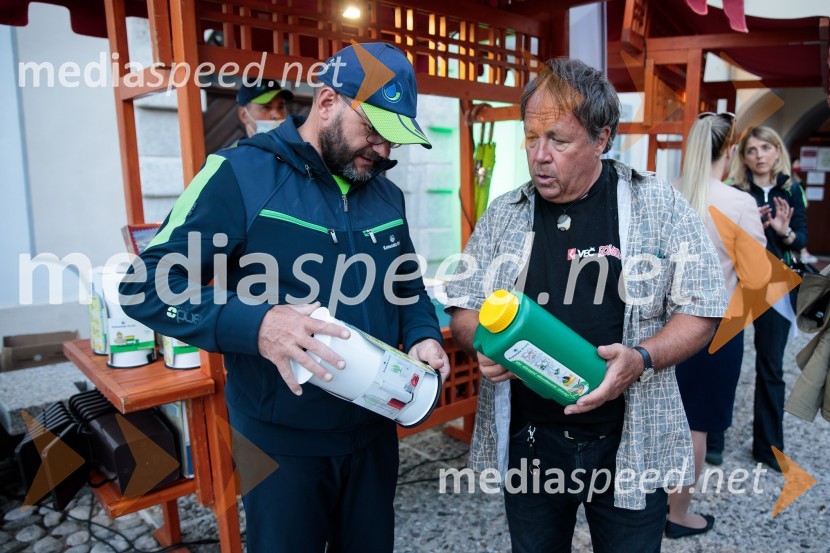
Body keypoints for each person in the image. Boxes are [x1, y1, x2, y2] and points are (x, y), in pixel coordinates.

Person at [120, 42, 449, 552]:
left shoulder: (387, 193)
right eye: (375, 131)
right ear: (326, 102)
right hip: (278, 443)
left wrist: (424, 335)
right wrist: (258, 324)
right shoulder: (237, 174)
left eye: (394, 139)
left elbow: (406, 285)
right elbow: (146, 284)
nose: (384, 152)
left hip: (375, 431)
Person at [445, 57, 727, 552]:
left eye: (558, 140)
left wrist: (640, 359)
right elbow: (465, 308)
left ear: (602, 139)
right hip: (531, 442)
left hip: (629, 439)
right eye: (531, 138)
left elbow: (702, 309)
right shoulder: (505, 213)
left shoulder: (656, 205)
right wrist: (482, 345)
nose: (539, 156)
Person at [666, 112, 769, 538]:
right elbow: (760, 276)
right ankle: (677, 515)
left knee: (660, 419)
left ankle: (645, 507)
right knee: (695, 425)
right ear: (728, 153)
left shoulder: (665, 194)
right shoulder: (738, 203)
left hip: (663, 326)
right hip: (714, 330)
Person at [728, 125, 807, 471]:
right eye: (752, 150)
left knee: (770, 367)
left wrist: (782, 231)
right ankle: (712, 439)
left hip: (776, 287)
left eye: (766, 147)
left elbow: (802, 237)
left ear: (778, 151)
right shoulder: (734, 191)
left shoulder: (792, 191)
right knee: (724, 361)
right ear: (743, 158)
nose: (759, 155)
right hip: (738, 284)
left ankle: (769, 447)